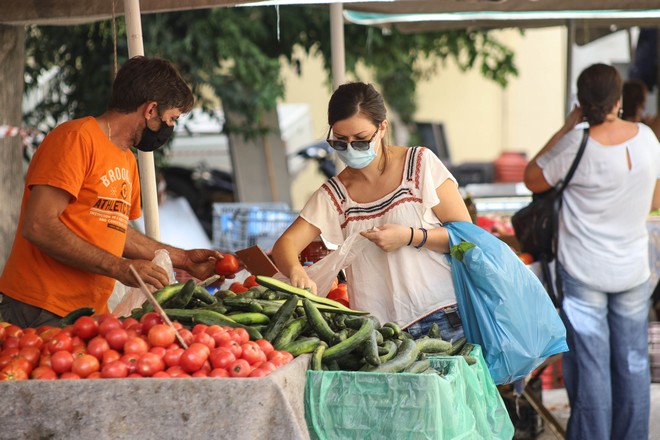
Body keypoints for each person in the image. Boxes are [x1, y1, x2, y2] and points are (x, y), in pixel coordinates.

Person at [0, 56, 225, 328]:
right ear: (151, 109)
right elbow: (38, 225)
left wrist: (185, 259)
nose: (171, 128)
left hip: (89, 314)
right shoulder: (76, 138)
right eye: (172, 118)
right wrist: (120, 267)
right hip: (40, 306)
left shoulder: (127, 159)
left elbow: (119, 231)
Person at [271, 82, 472, 342]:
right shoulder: (335, 194)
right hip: (378, 334)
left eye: (361, 140)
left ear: (382, 128)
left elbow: (466, 239)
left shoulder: (420, 164)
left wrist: (410, 236)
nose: (351, 148)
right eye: (340, 142)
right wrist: (296, 271)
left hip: (442, 319)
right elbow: (285, 244)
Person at [523, 63, 660, 440]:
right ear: (618, 101)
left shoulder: (575, 143)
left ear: (581, 104)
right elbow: (654, 199)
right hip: (632, 268)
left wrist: (569, 125)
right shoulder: (647, 139)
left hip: (583, 271)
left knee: (593, 365)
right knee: (633, 363)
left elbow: (531, 176)